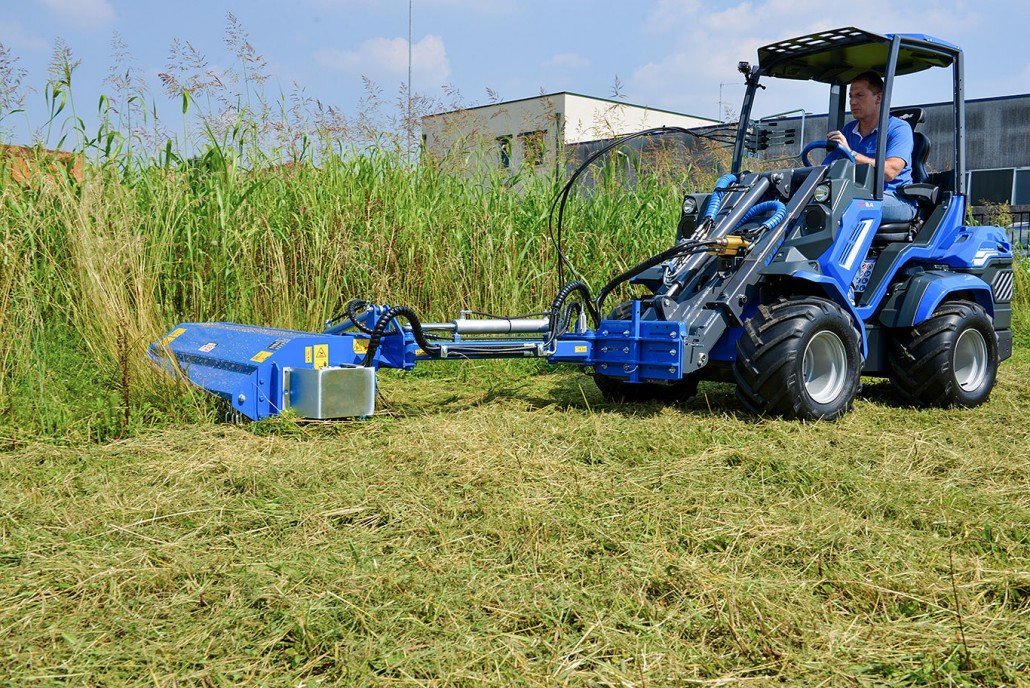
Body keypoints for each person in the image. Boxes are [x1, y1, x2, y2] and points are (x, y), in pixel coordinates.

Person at [824, 71, 916, 223]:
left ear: (878, 98)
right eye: (851, 97)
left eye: (859, 95)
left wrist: (851, 153)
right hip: (857, 194)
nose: (853, 102)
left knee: (846, 204)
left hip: (896, 198)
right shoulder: (848, 130)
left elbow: (890, 172)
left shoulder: (899, 129)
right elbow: (827, 167)